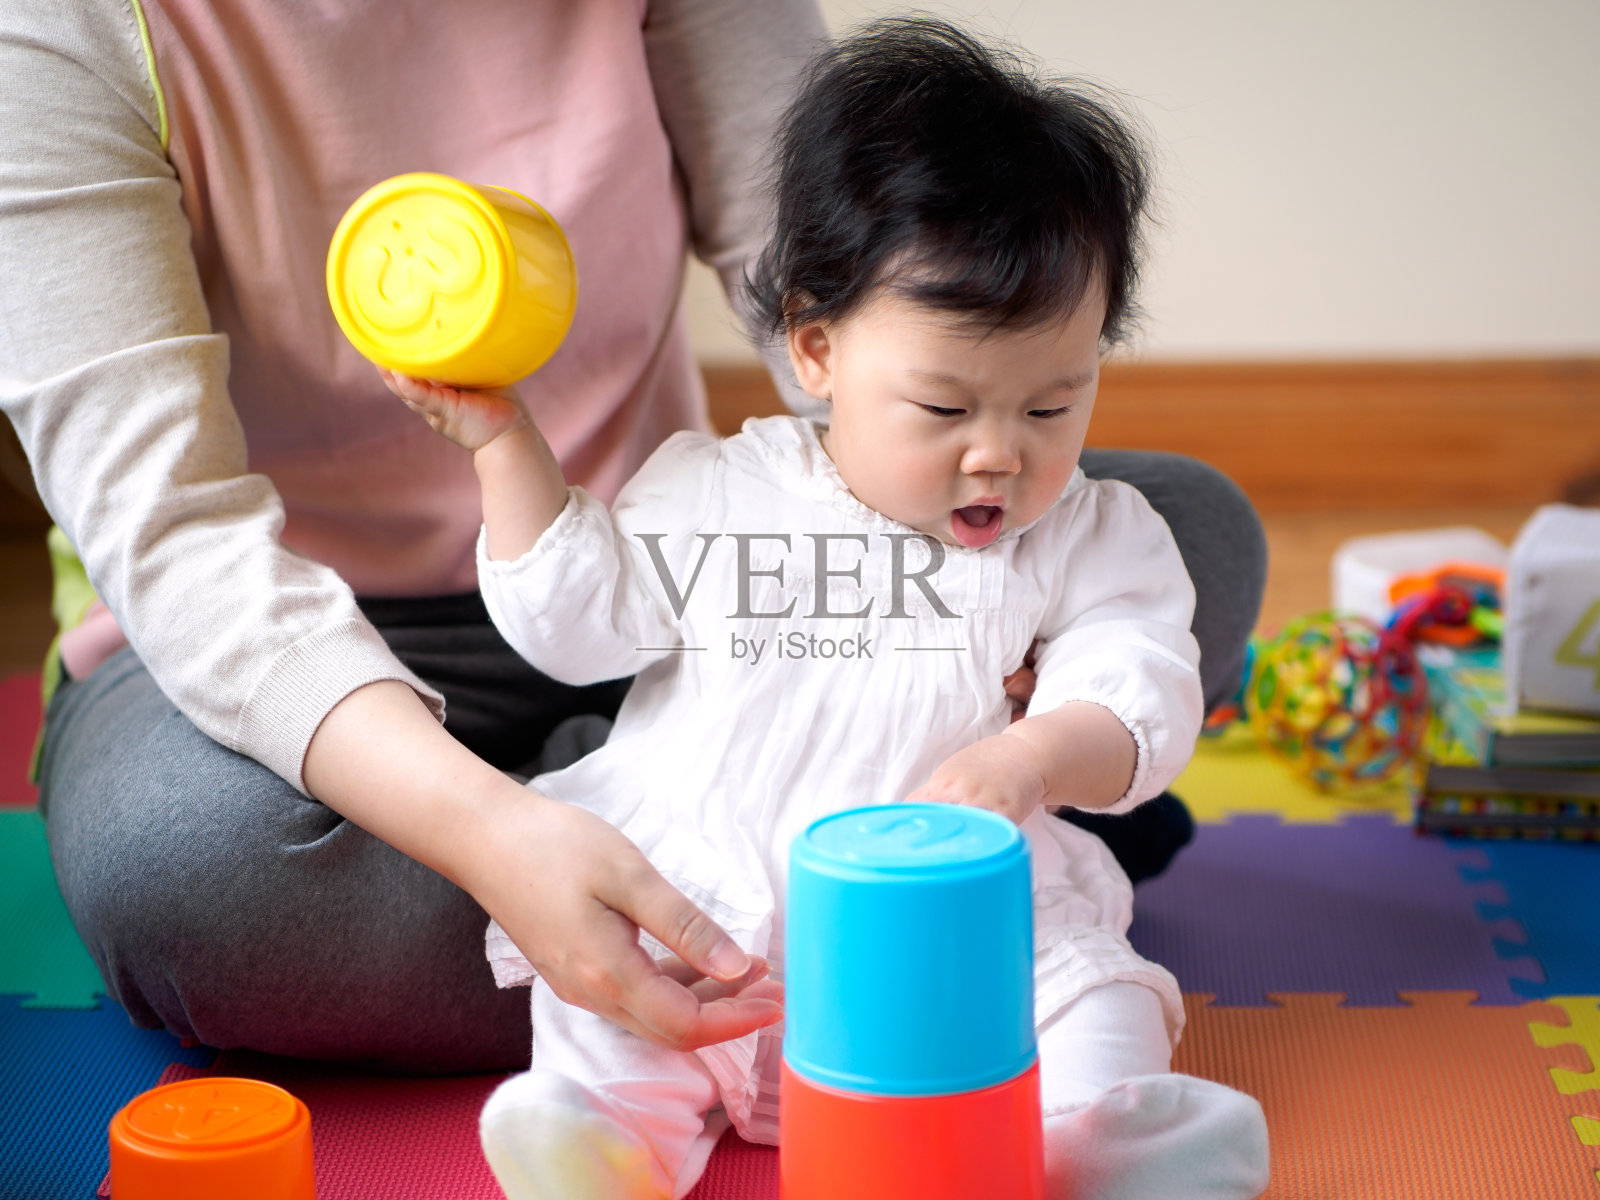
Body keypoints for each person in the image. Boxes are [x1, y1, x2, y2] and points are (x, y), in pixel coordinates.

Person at [2, 0, 1263, 1076]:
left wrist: (959, 545)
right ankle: (856, 897)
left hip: (689, 611)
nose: (1007, 442)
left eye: (1058, 400)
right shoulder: (60, 32)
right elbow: (178, 542)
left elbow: (849, 278)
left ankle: (749, 865)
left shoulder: (772, 455)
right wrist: (492, 840)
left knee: (1190, 534)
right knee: (184, 871)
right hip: (289, 655)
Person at [383, 19, 1270, 1199]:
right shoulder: (715, 489)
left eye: (1052, 409)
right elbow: (575, 624)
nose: (999, 457)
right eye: (945, 410)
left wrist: (1032, 756)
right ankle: (602, 1144)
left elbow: (1138, 681)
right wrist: (504, 448)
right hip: (712, 933)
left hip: (954, 952)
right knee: (602, 1019)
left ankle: (1096, 1145)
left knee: (1087, 995)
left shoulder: (1092, 533)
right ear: (814, 349)